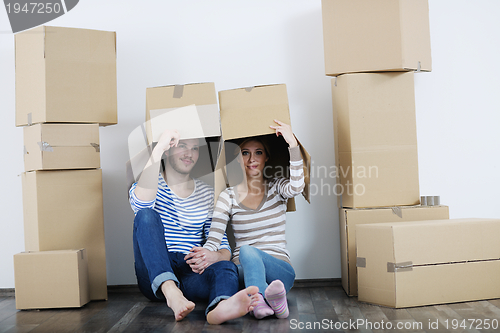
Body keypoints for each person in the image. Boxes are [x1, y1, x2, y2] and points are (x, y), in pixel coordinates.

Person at [129, 128, 259, 324]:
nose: (189, 153)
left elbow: (223, 246)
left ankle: (221, 306)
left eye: (194, 148)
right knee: (146, 215)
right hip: (155, 273)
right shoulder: (148, 184)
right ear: (167, 150)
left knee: (225, 266)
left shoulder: (207, 194)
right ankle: (171, 291)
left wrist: (213, 256)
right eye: (182, 146)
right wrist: (160, 146)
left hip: (190, 270)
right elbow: (140, 207)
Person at [203, 119, 305, 319]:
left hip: (280, 271)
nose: (252, 159)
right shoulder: (228, 196)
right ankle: (272, 301)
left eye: (258, 152)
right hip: (244, 271)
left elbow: (297, 187)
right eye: (245, 153)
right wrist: (203, 255)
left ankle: (260, 300)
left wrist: (293, 144)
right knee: (247, 253)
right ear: (237, 158)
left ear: (267, 156)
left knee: (249, 251)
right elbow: (214, 238)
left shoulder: (277, 187)